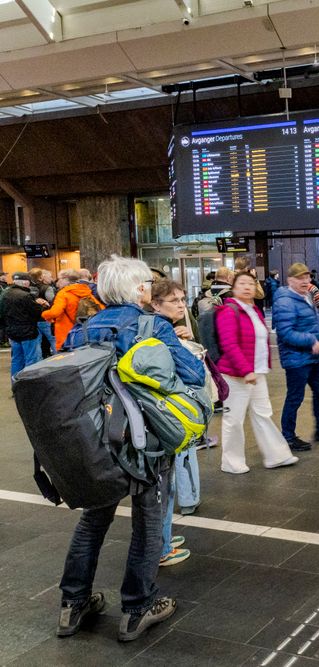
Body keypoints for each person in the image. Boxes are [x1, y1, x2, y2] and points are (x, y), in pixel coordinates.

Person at [58, 255, 204, 642]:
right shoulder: (151, 324)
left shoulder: (83, 327)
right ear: (140, 289)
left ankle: (73, 604)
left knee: (94, 517)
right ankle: (138, 608)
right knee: (147, 517)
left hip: (96, 436)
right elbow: (189, 374)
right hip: (143, 439)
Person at [215, 272, 299, 473]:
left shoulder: (254, 310)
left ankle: (276, 455)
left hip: (257, 373)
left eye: (251, 284)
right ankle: (231, 462)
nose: (247, 287)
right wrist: (245, 371)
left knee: (263, 414)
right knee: (234, 419)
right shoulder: (228, 310)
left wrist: (257, 369)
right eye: (242, 283)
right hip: (236, 375)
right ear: (233, 288)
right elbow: (229, 344)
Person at [148, 280, 202, 566]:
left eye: (183, 299)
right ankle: (161, 547)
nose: (182, 305)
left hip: (152, 414)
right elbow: (193, 372)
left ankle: (163, 537)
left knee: (163, 484)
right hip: (164, 413)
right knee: (163, 485)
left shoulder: (151, 325)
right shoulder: (160, 327)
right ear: (155, 303)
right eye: (174, 300)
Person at [272, 262, 319, 451]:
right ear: (290, 280)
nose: (305, 281)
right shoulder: (285, 301)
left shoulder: (305, 296)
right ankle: (287, 436)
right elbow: (285, 332)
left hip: (310, 358)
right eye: (300, 278)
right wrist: (310, 341)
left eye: (307, 277)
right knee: (295, 397)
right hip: (296, 359)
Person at [41, 268, 100, 351]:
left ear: (65, 279)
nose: (57, 281)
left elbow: (55, 312)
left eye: (59, 279)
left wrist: (44, 314)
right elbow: (99, 307)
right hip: (83, 331)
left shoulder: (63, 293)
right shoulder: (85, 290)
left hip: (66, 334)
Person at [0, 272, 45, 377]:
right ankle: (30, 386)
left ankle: (16, 386)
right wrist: (42, 305)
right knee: (32, 360)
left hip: (12, 332)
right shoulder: (26, 296)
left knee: (17, 360)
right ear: (25, 283)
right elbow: (37, 313)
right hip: (28, 332)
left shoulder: (4, 294)